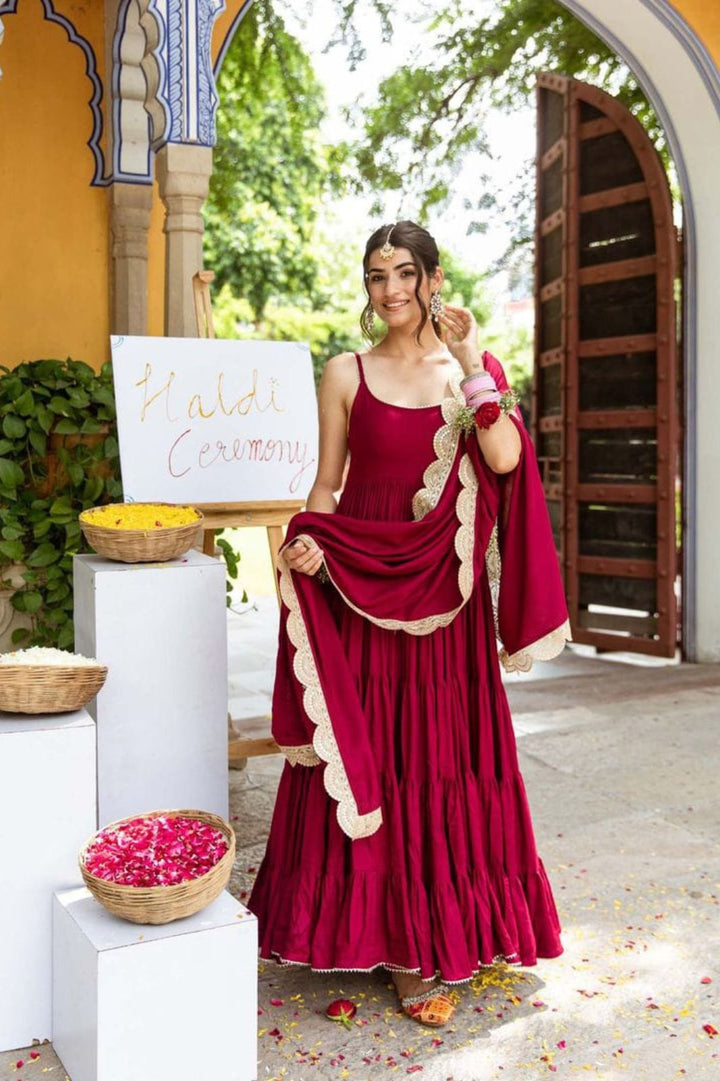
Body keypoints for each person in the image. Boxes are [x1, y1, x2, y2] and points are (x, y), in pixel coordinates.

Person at [248, 220, 570, 1027]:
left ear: (432, 278)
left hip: (446, 601)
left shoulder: (472, 370)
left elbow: (502, 459)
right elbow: (326, 487)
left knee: (443, 757)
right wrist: (308, 549)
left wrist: (470, 368)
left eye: (403, 274)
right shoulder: (345, 373)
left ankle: (445, 929)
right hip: (361, 590)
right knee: (377, 757)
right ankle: (397, 947)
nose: (389, 291)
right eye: (375, 276)